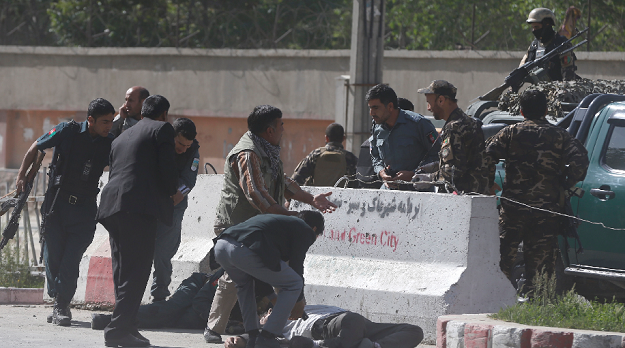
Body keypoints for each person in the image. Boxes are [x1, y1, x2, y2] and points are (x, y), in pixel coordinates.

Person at [205, 105, 337, 344]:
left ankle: (256, 331)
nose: (284, 129)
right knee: (236, 278)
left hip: (257, 228)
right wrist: (285, 216)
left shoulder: (268, 152)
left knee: (249, 279)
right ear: (269, 130)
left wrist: (310, 199)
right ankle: (216, 327)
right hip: (236, 224)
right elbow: (255, 193)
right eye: (281, 125)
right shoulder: (248, 153)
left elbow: (284, 182)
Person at [15, 99, 114, 326]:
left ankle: (62, 305)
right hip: (56, 207)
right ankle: (57, 295)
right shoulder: (67, 131)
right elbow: (36, 147)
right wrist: (21, 175)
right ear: (90, 120)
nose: (109, 126)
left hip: (85, 209)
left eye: (111, 121)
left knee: (71, 260)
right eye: (104, 122)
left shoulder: (110, 143)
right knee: (53, 257)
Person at [485, 90, 589, 295]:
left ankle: (495, 301)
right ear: (546, 110)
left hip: (514, 208)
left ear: (521, 111)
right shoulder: (560, 135)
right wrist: (566, 181)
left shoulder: (511, 133)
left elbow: (486, 156)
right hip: (546, 210)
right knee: (541, 266)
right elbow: (581, 161)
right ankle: (538, 309)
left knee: (502, 259)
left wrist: (490, 184)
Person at [97, 95, 178, 347]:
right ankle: (117, 329)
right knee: (138, 270)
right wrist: (172, 190)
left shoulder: (121, 136)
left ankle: (128, 326)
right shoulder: (162, 129)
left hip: (112, 205)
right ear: (164, 114)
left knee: (123, 270)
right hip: (138, 207)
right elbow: (167, 174)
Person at [214, 211, 325, 348]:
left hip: (221, 246)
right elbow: (296, 265)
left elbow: (259, 275)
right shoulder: (306, 230)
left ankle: (253, 335)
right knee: (295, 283)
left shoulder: (279, 225)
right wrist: (298, 301)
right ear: (314, 229)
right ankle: (268, 336)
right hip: (244, 250)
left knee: (244, 286)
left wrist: (273, 297)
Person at [151, 117, 201, 302]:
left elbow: (189, 181)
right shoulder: (158, 142)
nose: (183, 149)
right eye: (180, 144)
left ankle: (159, 295)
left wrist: (174, 197)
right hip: (150, 205)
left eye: (187, 146)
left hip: (173, 208)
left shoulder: (193, 151)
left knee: (164, 253)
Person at [412, 80, 489, 194]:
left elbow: (452, 172)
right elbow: (465, 160)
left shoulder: (453, 127)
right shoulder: (471, 122)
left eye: (429, 103)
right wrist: (437, 165)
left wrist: (429, 178)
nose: (429, 108)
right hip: (477, 194)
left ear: (441, 100)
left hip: (462, 197)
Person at [225, 305, 424, 348]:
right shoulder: (278, 331)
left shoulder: (298, 306)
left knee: (414, 330)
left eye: (264, 317)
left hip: (355, 323)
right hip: (327, 327)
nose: (263, 322)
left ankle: (373, 347)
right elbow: (257, 336)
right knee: (351, 322)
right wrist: (240, 339)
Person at [367, 84, 440, 191]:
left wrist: (415, 174)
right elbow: (375, 156)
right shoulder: (377, 126)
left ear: (390, 106)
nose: (371, 113)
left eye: (376, 108)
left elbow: (438, 155)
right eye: (370, 108)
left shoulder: (418, 124)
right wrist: (381, 172)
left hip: (418, 193)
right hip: (388, 192)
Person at [291, 123, 358, 188]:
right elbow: (358, 182)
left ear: (326, 138)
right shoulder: (350, 158)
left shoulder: (315, 154)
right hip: (342, 198)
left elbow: (297, 179)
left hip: (316, 198)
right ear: (343, 138)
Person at [519, 8, 577, 81]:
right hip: (538, 88)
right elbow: (521, 68)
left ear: (547, 24)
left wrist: (563, 90)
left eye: (537, 27)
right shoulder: (534, 46)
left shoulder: (561, 43)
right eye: (533, 27)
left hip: (559, 88)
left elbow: (568, 74)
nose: (534, 30)